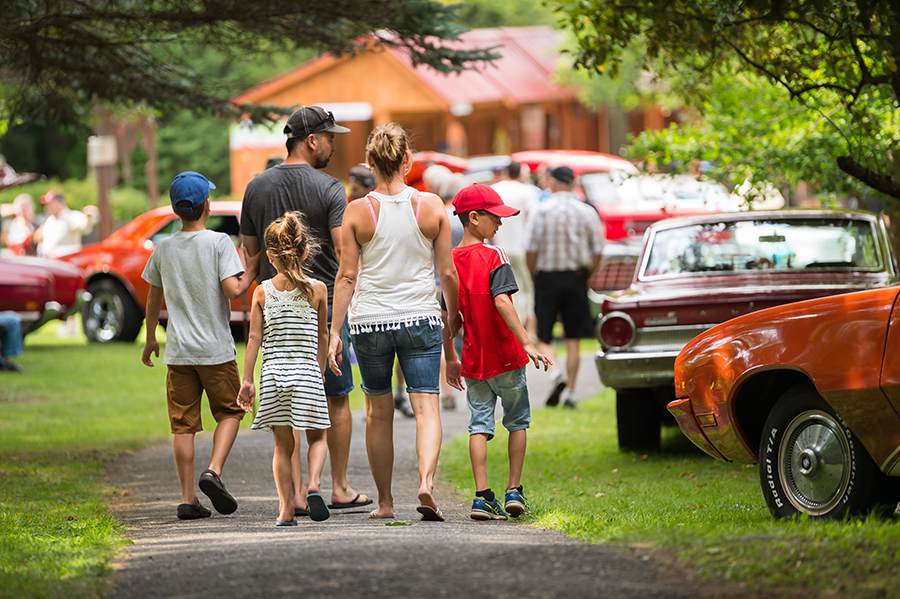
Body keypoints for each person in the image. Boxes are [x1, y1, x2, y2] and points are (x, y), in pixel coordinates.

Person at [241, 105, 371, 514]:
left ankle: (295, 494)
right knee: (335, 396)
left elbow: (249, 253)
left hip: (275, 304)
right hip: (323, 304)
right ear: (311, 140)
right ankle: (337, 486)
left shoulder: (255, 187)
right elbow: (342, 249)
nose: (333, 144)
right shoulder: (331, 188)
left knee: (286, 402)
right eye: (330, 137)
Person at [328, 122, 460, 521]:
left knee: (378, 413)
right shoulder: (432, 206)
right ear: (408, 160)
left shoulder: (357, 212)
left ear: (369, 162)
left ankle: (385, 503)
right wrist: (452, 318)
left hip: (369, 323)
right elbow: (448, 274)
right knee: (426, 409)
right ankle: (425, 483)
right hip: (420, 317)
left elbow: (347, 276)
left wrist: (334, 331)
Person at [141, 171, 258, 520]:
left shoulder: (163, 247)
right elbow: (233, 290)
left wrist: (149, 339)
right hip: (216, 352)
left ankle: (188, 497)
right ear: (207, 205)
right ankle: (214, 471)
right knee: (232, 412)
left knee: (183, 425)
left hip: (178, 353)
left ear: (176, 209)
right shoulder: (219, 243)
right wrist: (250, 270)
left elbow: (151, 300)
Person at [446, 183, 552, 521]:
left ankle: (481, 496)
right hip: (505, 356)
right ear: (474, 218)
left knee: (479, 425)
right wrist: (527, 342)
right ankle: (512, 491)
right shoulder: (494, 255)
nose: (500, 225)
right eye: (496, 218)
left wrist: (451, 355)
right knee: (517, 421)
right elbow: (503, 300)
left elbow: (447, 316)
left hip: (474, 361)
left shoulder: (449, 261)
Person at [238, 212, 332, 526]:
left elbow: (253, 338)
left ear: (269, 256)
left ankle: (286, 510)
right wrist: (319, 370)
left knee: (282, 445)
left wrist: (247, 379)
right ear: (305, 251)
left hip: (274, 375)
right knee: (317, 437)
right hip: (307, 372)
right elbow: (323, 334)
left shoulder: (262, 291)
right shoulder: (318, 290)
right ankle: (314, 485)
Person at [525, 166, 604, 409]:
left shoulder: (541, 210)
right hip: (576, 278)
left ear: (553, 182)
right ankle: (570, 391)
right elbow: (599, 250)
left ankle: (555, 372)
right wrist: (587, 274)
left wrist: (533, 275)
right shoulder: (586, 211)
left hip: (547, 277)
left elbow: (530, 249)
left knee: (544, 335)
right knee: (573, 338)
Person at [490, 161, 539, 339]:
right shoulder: (528, 191)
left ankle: (511, 331)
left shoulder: (495, 189)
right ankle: (530, 331)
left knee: (505, 291)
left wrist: (494, 243)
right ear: (520, 173)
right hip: (523, 248)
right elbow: (532, 220)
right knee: (527, 289)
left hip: (499, 248)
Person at [33, 190, 99, 258]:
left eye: (50, 204)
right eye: (46, 205)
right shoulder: (50, 219)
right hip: (49, 262)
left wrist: (89, 216)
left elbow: (85, 226)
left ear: (61, 203)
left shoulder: (70, 216)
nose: (47, 207)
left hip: (67, 261)